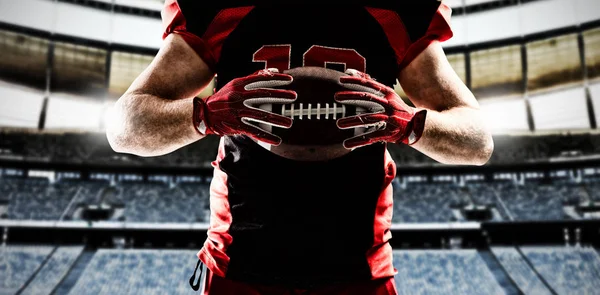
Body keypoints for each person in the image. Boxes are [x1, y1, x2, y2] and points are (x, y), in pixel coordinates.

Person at [105, 0, 494, 294]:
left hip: (357, 264)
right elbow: (124, 129)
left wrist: (409, 123)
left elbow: (477, 141)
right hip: (239, 259)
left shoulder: (393, 11)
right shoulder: (223, 7)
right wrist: (207, 113)